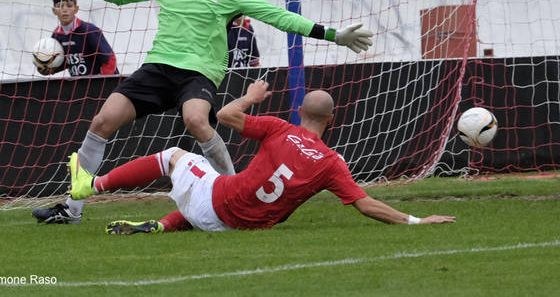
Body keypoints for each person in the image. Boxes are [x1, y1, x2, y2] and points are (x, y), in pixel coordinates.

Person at [32, 0, 373, 225]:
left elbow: (279, 16)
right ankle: (71, 209)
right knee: (102, 122)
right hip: (158, 67)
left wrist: (333, 35)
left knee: (197, 120)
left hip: (199, 74)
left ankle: (235, 192)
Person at [67, 80, 456, 234]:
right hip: (239, 227)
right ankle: (163, 226)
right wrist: (419, 219)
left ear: (299, 111)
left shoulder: (278, 128)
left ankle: (91, 184)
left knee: (174, 156)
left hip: (217, 204)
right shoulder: (331, 163)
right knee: (209, 190)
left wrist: (252, 97)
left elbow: (223, 116)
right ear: (332, 120)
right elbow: (366, 204)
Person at [37, 0, 118, 76]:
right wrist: (50, 69)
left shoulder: (90, 30)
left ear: (76, 8)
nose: (64, 9)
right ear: (54, 10)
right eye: (60, 6)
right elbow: (63, 62)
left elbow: (110, 60)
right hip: (79, 86)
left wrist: (102, 82)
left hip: (102, 84)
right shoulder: (57, 36)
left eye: (69, 5)